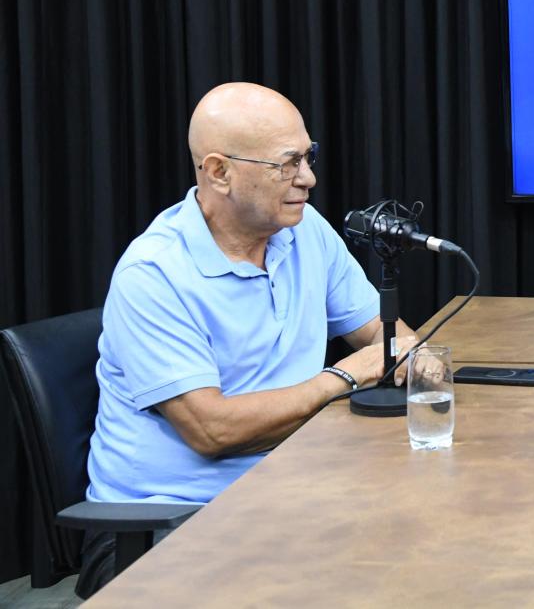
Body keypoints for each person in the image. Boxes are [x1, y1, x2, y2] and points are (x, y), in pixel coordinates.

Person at [82, 83, 413, 594]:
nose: (308, 178)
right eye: (288, 164)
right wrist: (343, 376)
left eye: (308, 157)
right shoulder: (153, 273)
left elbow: (382, 335)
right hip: (167, 526)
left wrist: (416, 360)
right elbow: (212, 432)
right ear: (219, 172)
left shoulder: (304, 231)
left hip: (292, 488)